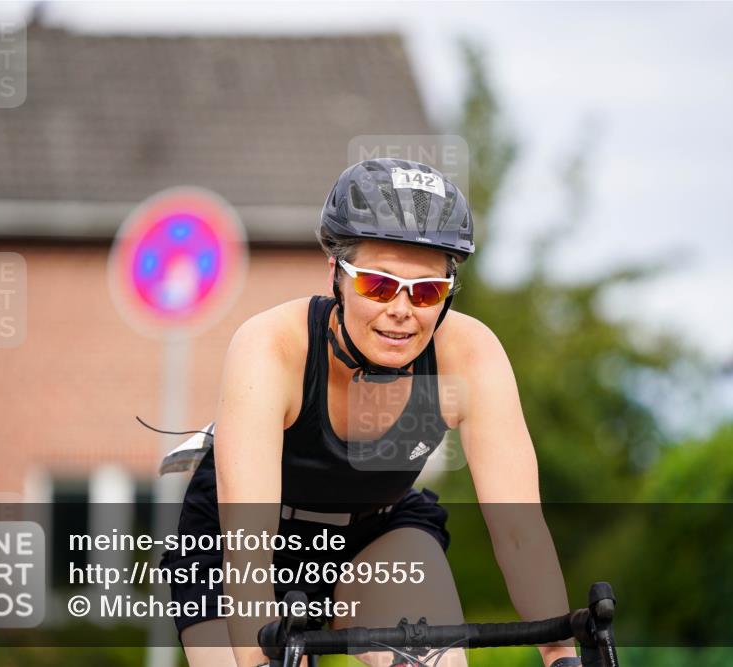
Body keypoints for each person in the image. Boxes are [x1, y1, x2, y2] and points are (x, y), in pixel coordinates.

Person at [163, 158, 579, 667]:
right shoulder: (271, 346)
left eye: (426, 292)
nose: (401, 310)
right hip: (243, 545)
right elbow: (248, 545)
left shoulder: (469, 354)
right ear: (336, 274)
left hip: (375, 534)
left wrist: (561, 654)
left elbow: (519, 532)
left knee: (437, 664)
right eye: (378, 285)